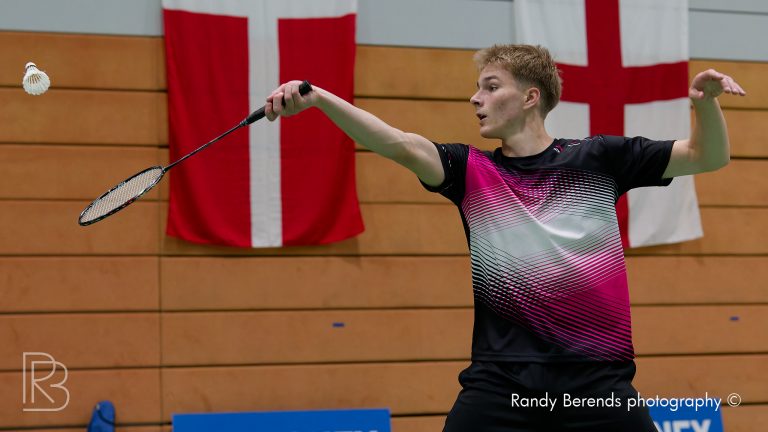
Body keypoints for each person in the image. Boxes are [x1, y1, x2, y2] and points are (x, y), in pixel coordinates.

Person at [264, 44, 746, 431]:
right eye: (478, 88)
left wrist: (704, 104)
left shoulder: (598, 158)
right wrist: (320, 98)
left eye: (491, 87)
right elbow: (399, 144)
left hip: (597, 383)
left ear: (531, 97)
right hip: (500, 385)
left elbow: (707, 157)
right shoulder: (471, 170)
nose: (475, 98)